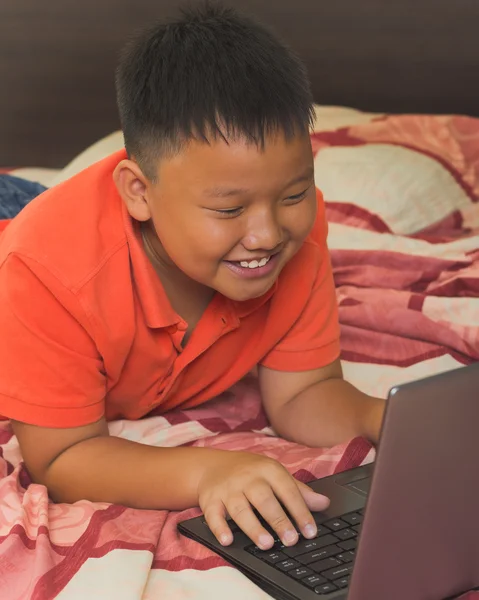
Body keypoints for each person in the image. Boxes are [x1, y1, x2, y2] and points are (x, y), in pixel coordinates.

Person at [0, 4, 384, 552]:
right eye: (228, 210)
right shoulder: (46, 271)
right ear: (139, 192)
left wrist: (381, 417)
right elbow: (62, 457)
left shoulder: (296, 234)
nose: (267, 234)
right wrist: (207, 472)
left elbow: (304, 393)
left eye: (294, 194)